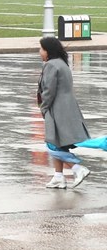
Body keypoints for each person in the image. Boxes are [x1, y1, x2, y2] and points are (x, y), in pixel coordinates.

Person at [38, 36, 91, 188]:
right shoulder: (62, 63)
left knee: (52, 145)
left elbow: (48, 91)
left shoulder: (51, 65)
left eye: (41, 49)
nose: (39, 52)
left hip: (57, 109)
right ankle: (58, 176)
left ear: (48, 51)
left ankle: (77, 168)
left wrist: (44, 107)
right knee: (59, 143)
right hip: (67, 107)